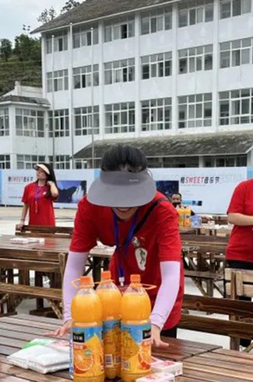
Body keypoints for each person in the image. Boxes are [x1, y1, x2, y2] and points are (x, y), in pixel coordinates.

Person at [51, 145, 183, 346]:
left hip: (157, 299)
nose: (123, 204)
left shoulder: (162, 210)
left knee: (151, 368)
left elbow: (172, 274)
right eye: (115, 195)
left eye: (130, 195)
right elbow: (75, 265)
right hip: (113, 297)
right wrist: (70, 316)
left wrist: (156, 322)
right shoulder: (90, 207)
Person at [16, 163, 58, 229]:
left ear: (47, 174)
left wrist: (52, 183)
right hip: (33, 222)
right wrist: (22, 220)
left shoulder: (50, 188)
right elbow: (25, 205)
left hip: (48, 223)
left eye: (41, 171)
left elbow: (55, 194)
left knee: (49, 239)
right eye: (38, 170)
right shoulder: (29, 187)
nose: (38, 173)